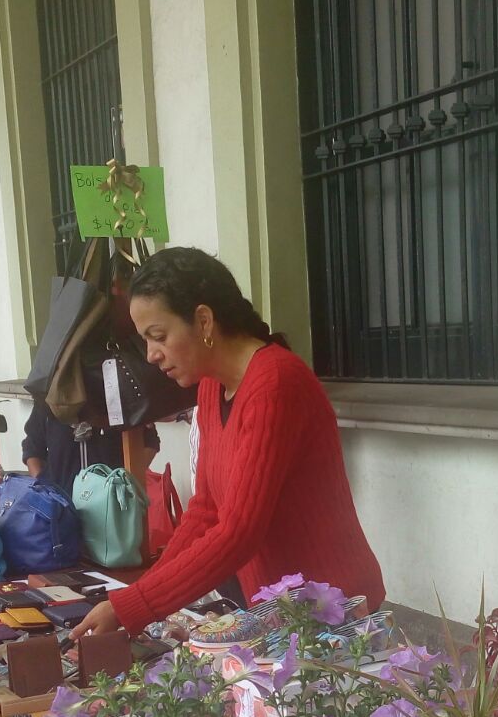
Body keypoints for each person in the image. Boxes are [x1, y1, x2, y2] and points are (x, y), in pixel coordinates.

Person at [72, 247, 384, 639]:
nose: (152, 355)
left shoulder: (275, 384)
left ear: (203, 321)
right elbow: (206, 510)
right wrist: (139, 595)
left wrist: (134, 607)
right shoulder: (211, 387)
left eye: (159, 336)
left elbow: (238, 532)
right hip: (280, 613)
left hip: (334, 613)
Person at [21, 396, 129, 496]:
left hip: (112, 502)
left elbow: (142, 443)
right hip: (61, 502)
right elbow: (32, 445)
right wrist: (42, 485)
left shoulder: (115, 389)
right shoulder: (48, 396)